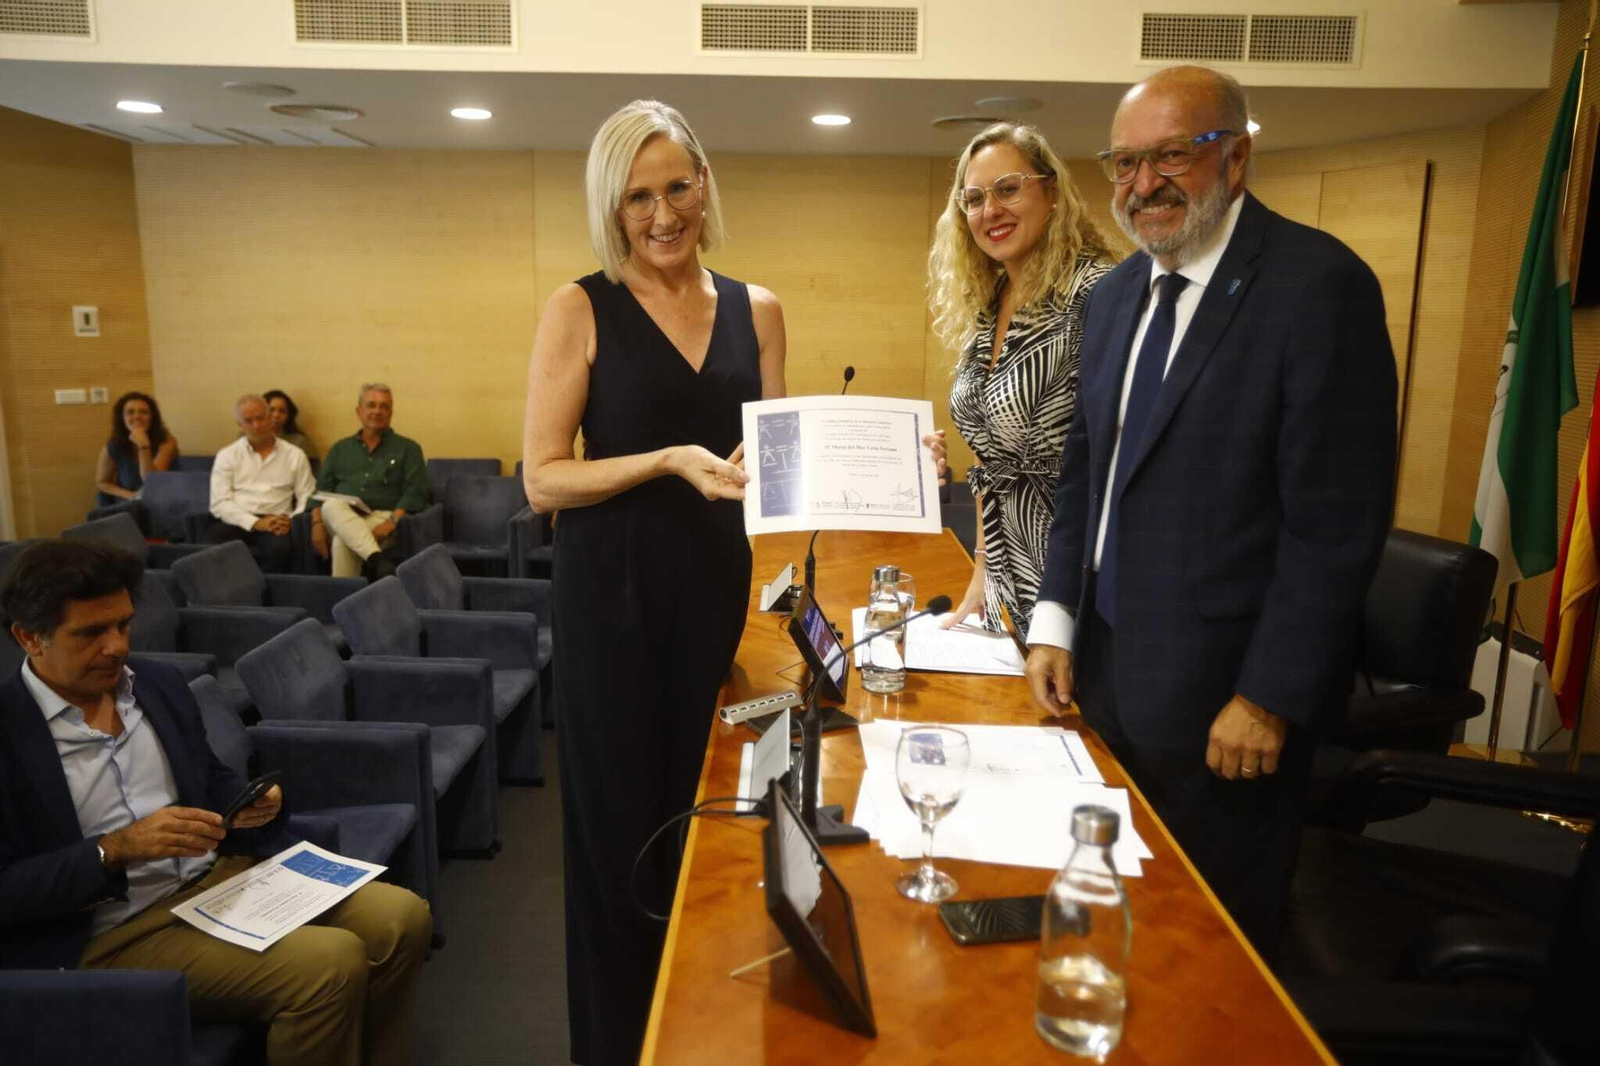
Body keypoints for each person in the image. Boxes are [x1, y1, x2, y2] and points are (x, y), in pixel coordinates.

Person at [1023, 65, 1397, 954]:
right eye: (1122, 163)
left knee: (1209, 950)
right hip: (1104, 679)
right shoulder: (1113, 299)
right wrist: (1054, 620)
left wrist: (1268, 694)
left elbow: (1334, 521)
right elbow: (1086, 474)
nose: (1142, 184)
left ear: (1236, 158)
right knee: (1105, 917)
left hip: (1225, 702)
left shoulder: (1319, 286)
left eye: (1170, 157)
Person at [521, 99, 785, 1065]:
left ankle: (703, 1037)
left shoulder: (760, 310)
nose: (663, 213)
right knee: (618, 841)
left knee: (710, 822)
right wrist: (666, 458)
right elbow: (543, 478)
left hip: (714, 588)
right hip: (610, 603)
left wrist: (890, 461)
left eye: (678, 186)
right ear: (613, 207)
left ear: (706, 182)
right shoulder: (579, 307)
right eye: (639, 197)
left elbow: (779, 462)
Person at [0, 538, 432, 1066]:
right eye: (91, 633)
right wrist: (114, 850)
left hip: (217, 880)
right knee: (329, 962)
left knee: (402, 916)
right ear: (29, 638)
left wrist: (252, 803)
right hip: (111, 933)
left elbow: (210, 779)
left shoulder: (156, 685)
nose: (116, 647)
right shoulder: (8, 734)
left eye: (123, 625)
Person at [928, 122, 1117, 637]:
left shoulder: (1099, 296)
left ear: (1051, 191)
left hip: (1078, 584)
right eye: (973, 199)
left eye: (1008, 189)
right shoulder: (990, 305)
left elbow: (1110, 461)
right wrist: (981, 578)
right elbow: (995, 469)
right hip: (1007, 586)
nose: (990, 211)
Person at [310, 384, 427, 581]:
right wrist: (316, 524)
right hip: (340, 514)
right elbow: (321, 491)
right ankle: (377, 560)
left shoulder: (408, 449)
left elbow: (415, 492)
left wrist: (393, 521)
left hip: (382, 517)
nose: (377, 411)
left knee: (342, 541)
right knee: (331, 504)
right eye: (371, 405)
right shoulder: (340, 449)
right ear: (359, 411)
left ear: (391, 413)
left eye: (384, 406)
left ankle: (343, 604)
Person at [208, 394, 316, 573]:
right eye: (248, 421)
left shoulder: (294, 455)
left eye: (260, 418)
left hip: (277, 524)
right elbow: (219, 503)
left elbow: (307, 494)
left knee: (280, 549)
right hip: (237, 520)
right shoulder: (227, 455)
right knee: (213, 545)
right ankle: (228, 599)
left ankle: (268, 599)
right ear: (240, 425)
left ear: (270, 418)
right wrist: (255, 523)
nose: (256, 425)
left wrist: (291, 520)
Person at [95, 391, 179, 505]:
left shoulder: (167, 442)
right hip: (128, 503)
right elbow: (102, 482)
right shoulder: (115, 444)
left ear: (152, 418)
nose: (137, 416)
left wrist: (143, 446)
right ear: (122, 418)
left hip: (160, 502)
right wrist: (130, 495)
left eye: (144, 412)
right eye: (130, 412)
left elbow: (151, 481)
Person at [265, 388, 319, 465]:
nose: (276, 415)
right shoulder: (247, 439)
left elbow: (313, 473)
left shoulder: (300, 442)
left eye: (282, 411)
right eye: (271, 409)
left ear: (288, 416)